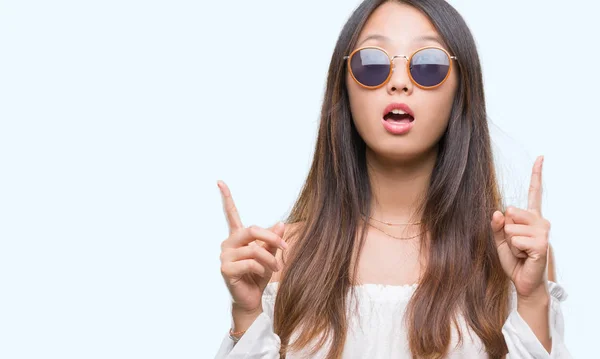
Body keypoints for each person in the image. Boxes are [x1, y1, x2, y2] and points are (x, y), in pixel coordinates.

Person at [214, 0, 571, 357]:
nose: (399, 82)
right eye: (372, 64)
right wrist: (247, 314)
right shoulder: (284, 256)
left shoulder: (510, 255)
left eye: (429, 65)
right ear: (344, 87)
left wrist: (532, 297)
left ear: (462, 91)